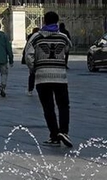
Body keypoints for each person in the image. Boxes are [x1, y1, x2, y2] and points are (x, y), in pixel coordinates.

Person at [24, 11, 73, 147]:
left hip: (42, 77)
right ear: (57, 21)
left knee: (48, 107)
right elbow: (68, 48)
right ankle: (64, 131)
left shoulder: (36, 37)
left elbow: (28, 55)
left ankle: (54, 135)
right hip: (60, 77)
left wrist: (34, 68)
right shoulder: (63, 37)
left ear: (44, 21)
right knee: (63, 105)